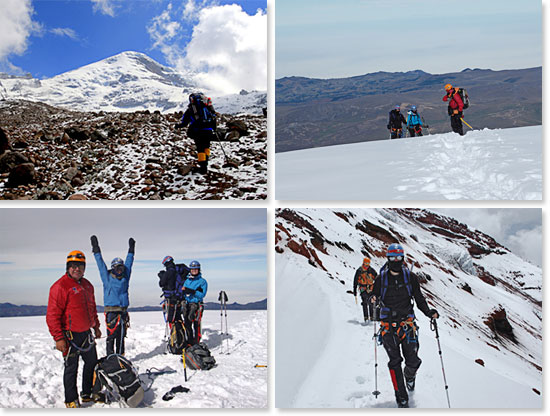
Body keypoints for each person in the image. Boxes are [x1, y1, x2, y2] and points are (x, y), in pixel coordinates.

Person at [370, 243, 439, 408]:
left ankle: (409, 375)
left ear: (402, 258)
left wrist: (429, 312)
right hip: (388, 326)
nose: (396, 260)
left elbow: (419, 298)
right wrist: (373, 298)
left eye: (398, 257)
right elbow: (375, 293)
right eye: (392, 257)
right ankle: (401, 397)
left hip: (407, 324)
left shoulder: (410, 278)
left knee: (413, 360)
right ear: (388, 259)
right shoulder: (381, 279)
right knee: (394, 362)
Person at [46, 250, 102, 408]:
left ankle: (87, 393)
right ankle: (71, 399)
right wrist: (58, 338)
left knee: (91, 364)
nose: (77, 269)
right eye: (73, 266)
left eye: (80, 266)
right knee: (71, 368)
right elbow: (52, 315)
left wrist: (96, 327)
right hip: (69, 336)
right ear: (68, 267)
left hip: (86, 333)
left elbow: (92, 308)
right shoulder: (60, 287)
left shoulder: (87, 285)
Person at [90, 236, 135, 356]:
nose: (119, 270)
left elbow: (129, 263)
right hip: (112, 312)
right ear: (113, 268)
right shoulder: (107, 278)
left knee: (121, 336)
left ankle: (120, 357)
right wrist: (96, 248)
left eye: (121, 268)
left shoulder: (125, 277)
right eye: (117, 268)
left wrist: (131, 250)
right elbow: (100, 263)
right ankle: (110, 357)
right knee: (111, 336)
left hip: (123, 311)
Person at [175, 92, 218, 174]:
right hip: (208, 130)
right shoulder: (207, 107)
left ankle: (203, 168)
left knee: (200, 148)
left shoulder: (191, 109)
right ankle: (206, 163)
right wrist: (214, 129)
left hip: (197, 131)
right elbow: (214, 118)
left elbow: (184, 122)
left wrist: (178, 126)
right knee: (206, 146)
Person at [182, 260, 208, 346]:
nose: (194, 271)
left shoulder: (202, 282)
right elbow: (184, 290)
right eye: (192, 269)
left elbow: (202, 295)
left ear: (199, 270)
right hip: (187, 304)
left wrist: (192, 291)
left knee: (196, 324)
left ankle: (196, 343)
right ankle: (189, 343)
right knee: (187, 324)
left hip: (197, 305)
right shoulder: (187, 280)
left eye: (196, 269)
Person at [158, 256, 189, 326]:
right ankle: (182, 331)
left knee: (171, 318)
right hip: (180, 297)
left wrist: (161, 276)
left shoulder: (168, 272)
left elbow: (161, 284)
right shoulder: (179, 270)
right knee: (178, 316)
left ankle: (175, 334)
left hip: (170, 298)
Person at [352, 257, 378, 322]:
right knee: (365, 302)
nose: (366, 265)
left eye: (368, 263)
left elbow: (377, 278)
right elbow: (355, 281)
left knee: (371, 302)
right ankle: (366, 317)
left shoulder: (371, 270)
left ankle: (371, 317)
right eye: (365, 263)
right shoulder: (359, 271)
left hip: (370, 288)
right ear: (363, 263)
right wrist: (354, 290)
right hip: (362, 288)